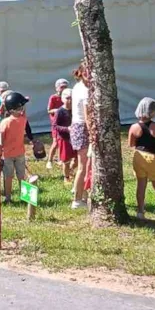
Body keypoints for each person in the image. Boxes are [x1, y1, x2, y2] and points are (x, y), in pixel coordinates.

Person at [129, 97, 155, 222]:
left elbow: (131, 144)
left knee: (141, 185)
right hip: (153, 157)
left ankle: (140, 211)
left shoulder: (133, 127)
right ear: (152, 112)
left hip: (138, 156)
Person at [0, 91, 33, 205]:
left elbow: (1, 139)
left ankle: (8, 198)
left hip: (7, 154)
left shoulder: (5, 122)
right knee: (21, 176)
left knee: (8, 177)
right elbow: (24, 113)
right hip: (20, 153)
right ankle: (25, 197)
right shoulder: (23, 120)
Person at [70, 67, 90, 209]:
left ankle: (83, 195)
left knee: (85, 166)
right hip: (82, 127)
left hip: (77, 125)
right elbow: (88, 116)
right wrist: (93, 134)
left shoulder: (77, 86)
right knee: (83, 166)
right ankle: (77, 200)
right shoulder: (85, 91)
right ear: (83, 74)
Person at [53, 87, 76, 182]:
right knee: (66, 161)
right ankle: (66, 178)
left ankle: (70, 170)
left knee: (78, 158)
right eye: (68, 98)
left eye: (72, 98)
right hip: (64, 139)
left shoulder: (75, 110)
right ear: (63, 99)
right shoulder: (60, 111)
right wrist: (67, 129)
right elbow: (55, 126)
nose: (70, 100)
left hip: (75, 137)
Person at [46, 78, 68, 171]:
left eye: (65, 87)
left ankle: (60, 159)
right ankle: (49, 160)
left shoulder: (67, 97)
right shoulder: (53, 97)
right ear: (57, 88)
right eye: (61, 87)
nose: (63, 89)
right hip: (56, 124)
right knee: (55, 143)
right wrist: (56, 110)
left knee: (63, 142)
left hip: (64, 123)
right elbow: (49, 110)